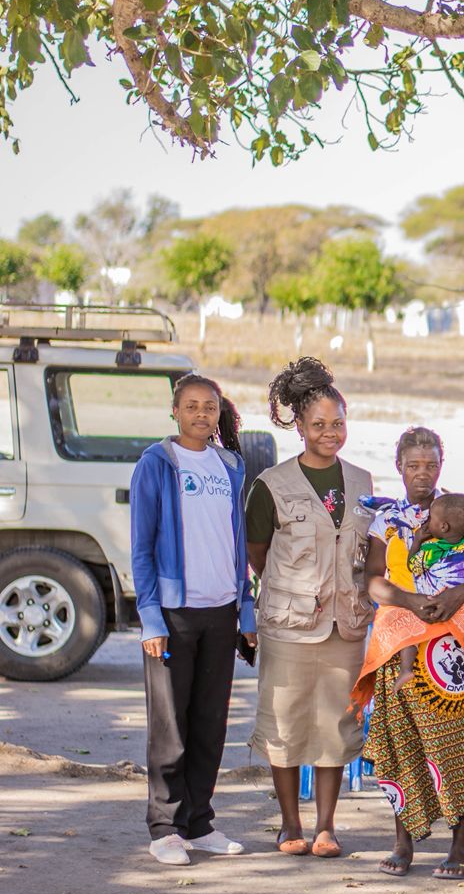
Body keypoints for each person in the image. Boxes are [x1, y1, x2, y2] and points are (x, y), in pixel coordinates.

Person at [246, 358, 376, 859]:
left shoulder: (363, 483)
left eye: (337, 423)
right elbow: (258, 553)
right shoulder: (272, 485)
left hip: (346, 626)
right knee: (285, 723)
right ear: (298, 426)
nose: (329, 433)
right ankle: (288, 825)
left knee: (335, 726)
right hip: (289, 627)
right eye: (318, 425)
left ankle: (326, 826)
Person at [355, 434, 464, 880]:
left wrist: (460, 593)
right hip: (402, 639)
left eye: (430, 465)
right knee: (403, 743)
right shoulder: (388, 519)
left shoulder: (460, 510)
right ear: (398, 465)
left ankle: (459, 845)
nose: (422, 473)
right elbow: (373, 580)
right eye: (413, 465)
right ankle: (403, 843)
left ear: (441, 464)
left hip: (452, 647)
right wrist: (408, 600)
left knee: (455, 743)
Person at [130, 374, 255, 866]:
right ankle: (165, 828)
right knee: (170, 727)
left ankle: (200, 823)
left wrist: (244, 608)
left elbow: (237, 543)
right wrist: (150, 618)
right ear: (175, 412)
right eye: (192, 406)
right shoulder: (157, 464)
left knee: (210, 723)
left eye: (210, 407)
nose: (202, 414)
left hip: (221, 611)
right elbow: (141, 548)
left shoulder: (229, 465)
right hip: (173, 614)